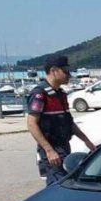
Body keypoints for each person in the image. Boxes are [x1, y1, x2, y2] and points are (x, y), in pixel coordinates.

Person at [26, 55, 95, 186]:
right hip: (53, 148)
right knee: (57, 185)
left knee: (66, 182)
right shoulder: (40, 94)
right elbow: (31, 123)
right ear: (54, 71)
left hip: (64, 146)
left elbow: (69, 122)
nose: (69, 75)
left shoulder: (60, 95)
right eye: (66, 71)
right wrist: (49, 150)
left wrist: (86, 141)